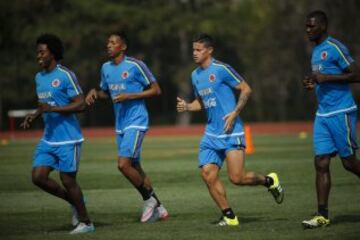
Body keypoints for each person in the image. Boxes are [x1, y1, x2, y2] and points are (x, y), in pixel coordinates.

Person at [176, 33, 284, 226]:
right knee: (208, 174)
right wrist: (188, 106)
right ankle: (229, 216)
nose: (194, 53)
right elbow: (201, 102)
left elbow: (246, 89)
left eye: (198, 49)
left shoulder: (222, 69)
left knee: (237, 178)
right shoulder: (194, 75)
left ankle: (269, 181)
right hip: (210, 134)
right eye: (193, 49)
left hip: (231, 132)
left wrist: (235, 112)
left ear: (209, 51)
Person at [85, 31, 168, 223]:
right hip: (120, 124)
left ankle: (148, 200)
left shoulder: (136, 65)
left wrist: (131, 96)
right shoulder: (105, 68)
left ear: (123, 47)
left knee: (123, 164)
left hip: (137, 121)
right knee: (135, 166)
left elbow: (156, 90)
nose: (108, 45)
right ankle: (160, 207)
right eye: (107, 43)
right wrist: (95, 93)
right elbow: (107, 93)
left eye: (113, 43)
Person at [20, 34, 95, 234]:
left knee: (68, 180)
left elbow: (80, 105)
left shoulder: (65, 75)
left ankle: (86, 222)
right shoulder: (39, 77)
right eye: (37, 52)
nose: (38, 56)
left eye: (42, 52)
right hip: (49, 138)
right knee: (38, 177)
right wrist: (34, 115)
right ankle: (75, 201)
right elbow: (44, 105)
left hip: (69, 138)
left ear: (52, 53)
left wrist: (51, 110)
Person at [302, 10, 360, 229]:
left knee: (349, 163)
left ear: (323, 27)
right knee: (321, 162)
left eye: (311, 26)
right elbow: (321, 79)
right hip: (323, 114)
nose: (307, 29)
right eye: (306, 26)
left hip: (341, 112)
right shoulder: (315, 51)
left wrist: (326, 78)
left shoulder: (335, 47)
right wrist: (312, 83)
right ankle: (322, 215)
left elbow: (356, 74)